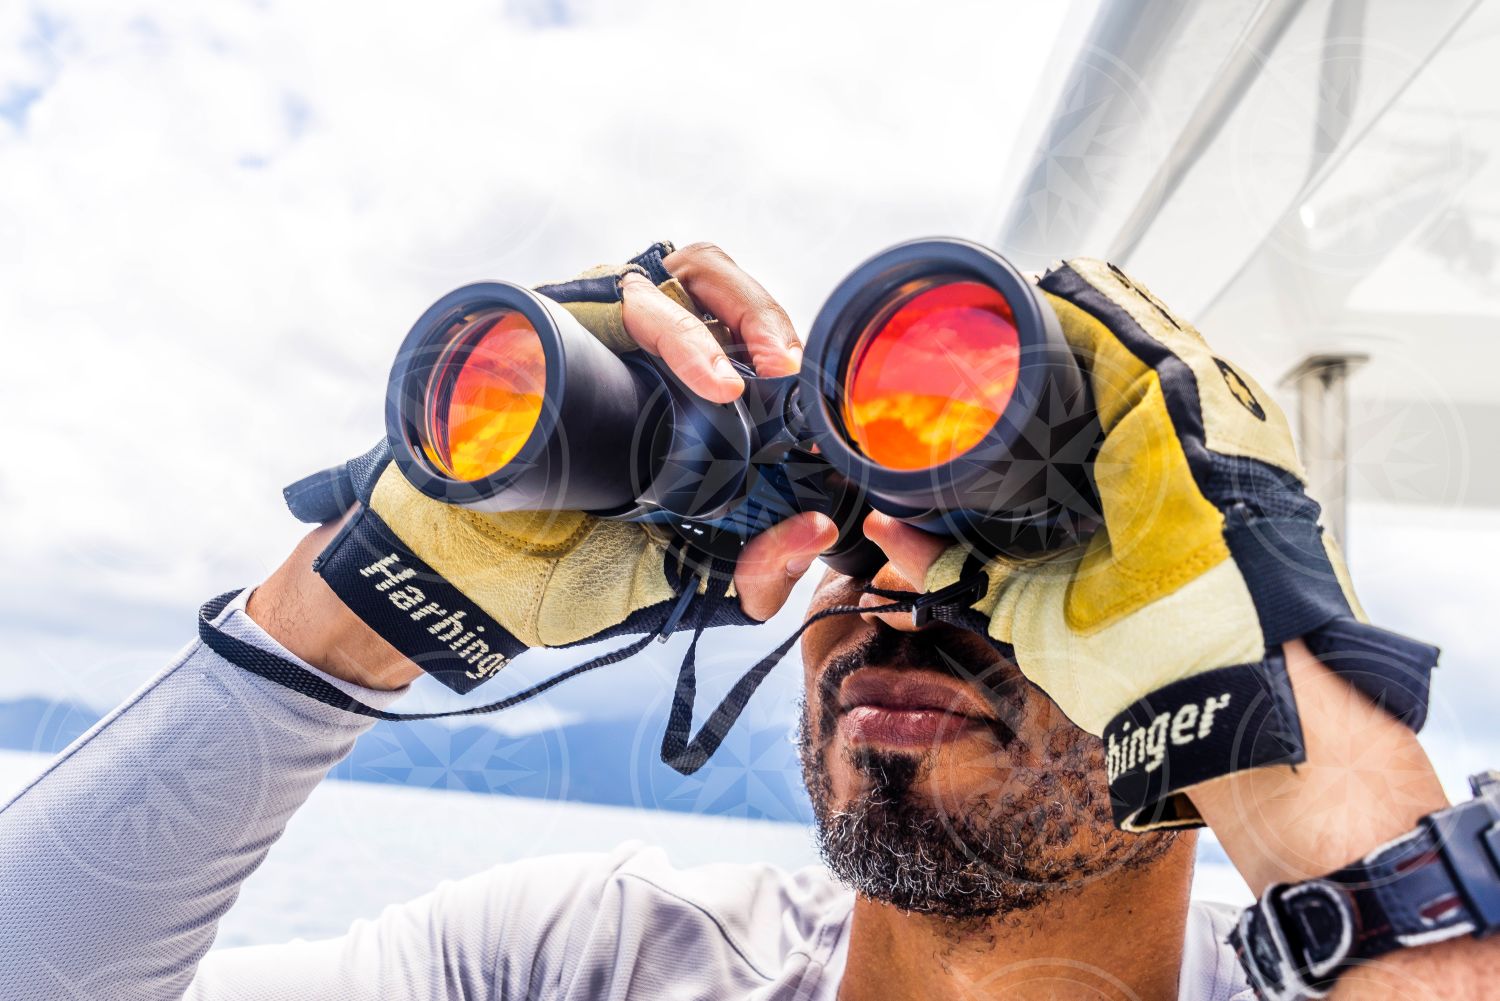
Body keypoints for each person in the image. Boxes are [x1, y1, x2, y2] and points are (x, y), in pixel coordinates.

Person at [0, 242, 1493, 1001]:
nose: (903, 593)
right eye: (863, 540)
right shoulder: (583, 958)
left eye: (1020, 571)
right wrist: (345, 619)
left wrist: (1281, 712)